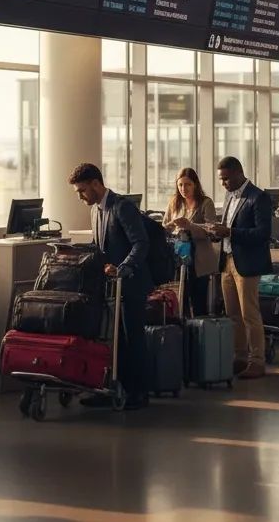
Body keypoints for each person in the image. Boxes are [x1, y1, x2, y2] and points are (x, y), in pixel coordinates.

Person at [69, 162, 152, 408]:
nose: (80, 197)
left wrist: (124, 267)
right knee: (114, 340)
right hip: (110, 285)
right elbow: (100, 246)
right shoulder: (95, 210)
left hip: (131, 283)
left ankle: (138, 393)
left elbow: (141, 243)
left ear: (96, 184)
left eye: (82, 191)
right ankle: (113, 389)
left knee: (132, 338)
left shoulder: (122, 207)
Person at [210, 156, 272, 378]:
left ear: (239, 173)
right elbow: (229, 226)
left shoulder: (258, 197)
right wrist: (217, 232)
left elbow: (263, 233)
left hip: (247, 263)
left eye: (226, 179)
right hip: (227, 261)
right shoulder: (229, 196)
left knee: (249, 314)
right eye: (221, 179)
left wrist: (230, 232)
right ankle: (240, 357)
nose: (223, 183)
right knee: (233, 315)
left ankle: (257, 361)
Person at [163, 167, 217, 317]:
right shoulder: (174, 202)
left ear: (195, 185)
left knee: (198, 302)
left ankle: (200, 329)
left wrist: (189, 226)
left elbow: (211, 231)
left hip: (199, 259)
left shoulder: (206, 203)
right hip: (179, 257)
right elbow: (164, 227)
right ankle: (183, 329)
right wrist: (173, 224)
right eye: (180, 185)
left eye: (187, 184)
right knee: (181, 301)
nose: (183, 188)